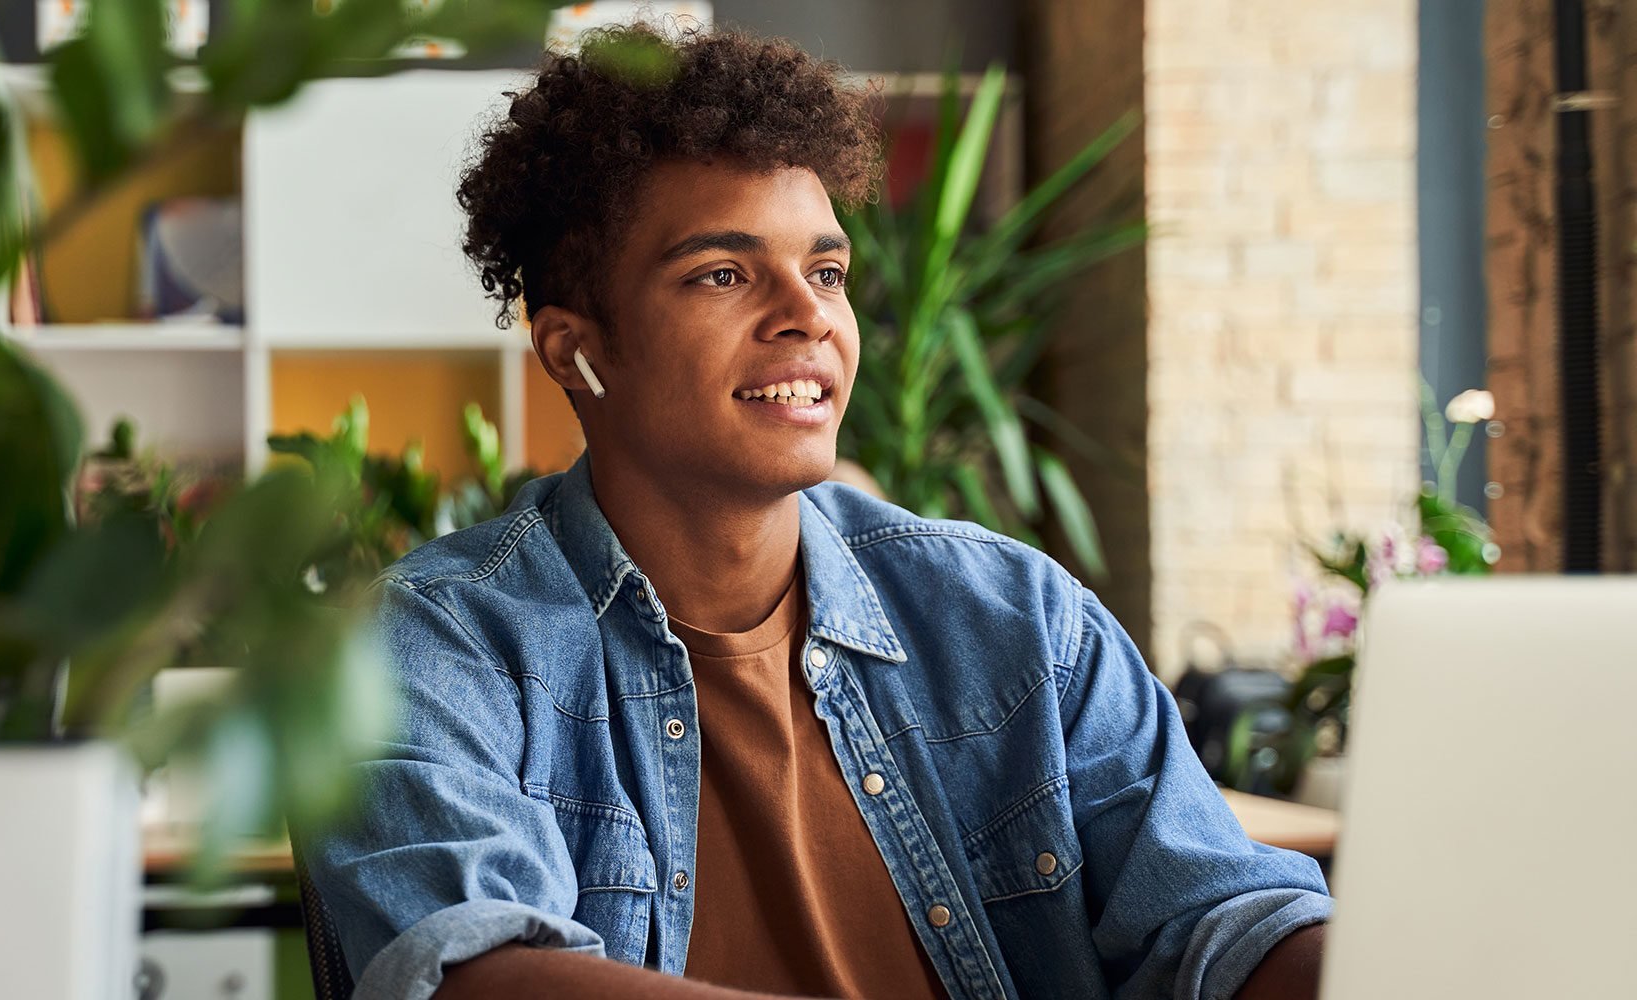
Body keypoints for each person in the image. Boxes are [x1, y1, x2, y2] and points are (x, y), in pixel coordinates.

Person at [304, 22, 1332, 1000]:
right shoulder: (438, 643)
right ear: (577, 350)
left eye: (825, 271)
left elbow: (1219, 920)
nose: (807, 315)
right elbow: (475, 971)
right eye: (722, 272)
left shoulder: (1014, 617)